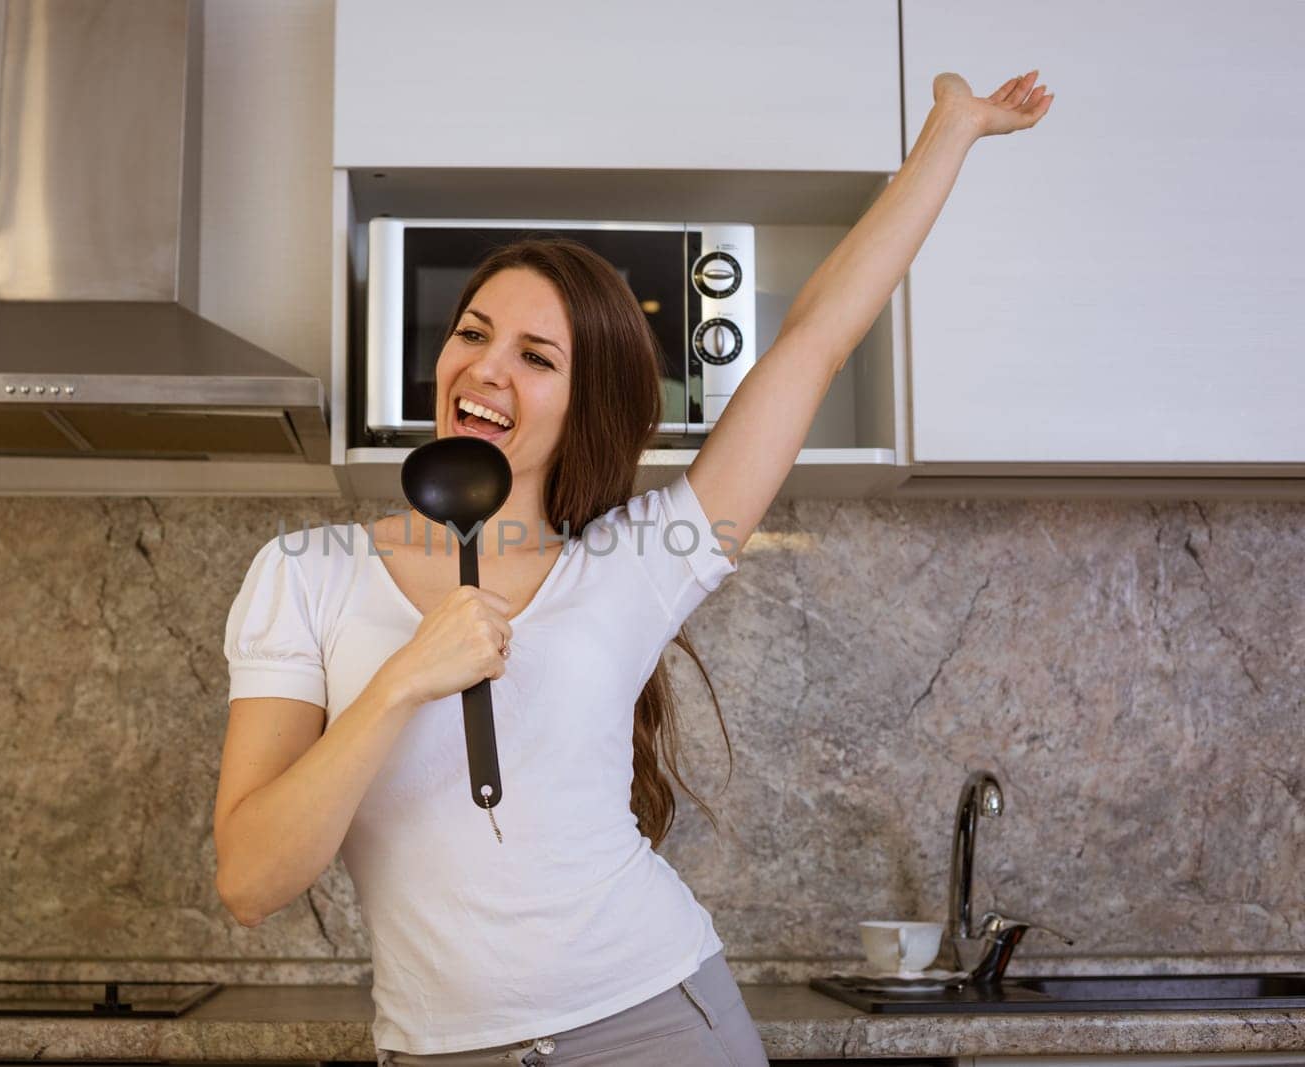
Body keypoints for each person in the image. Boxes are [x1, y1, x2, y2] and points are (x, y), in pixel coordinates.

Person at [213, 71, 1053, 1066]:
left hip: (657, 1020)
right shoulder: (304, 572)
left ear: (584, 401)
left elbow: (816, 342)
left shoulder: (636, 561)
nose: (485, 368)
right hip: (440, 1049)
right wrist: (400, 679)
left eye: (536, 356)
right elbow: (251, 877)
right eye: (473, 334)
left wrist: (947, 136)